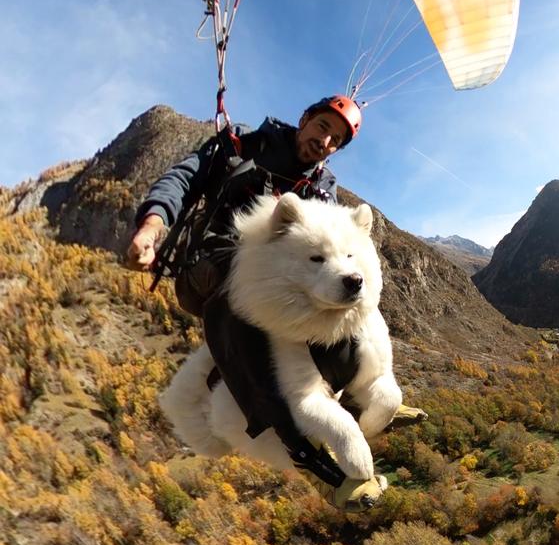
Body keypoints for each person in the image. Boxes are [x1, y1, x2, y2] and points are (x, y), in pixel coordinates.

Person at [125, 95, 387, 510]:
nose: (325, 142)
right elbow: (182, 180)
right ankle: (301, 450)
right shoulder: (242, 144)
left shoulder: (323, 192)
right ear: (304, 119)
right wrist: (152, 227)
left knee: (343, 317)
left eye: (336, 140)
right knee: (244, 322)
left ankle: (361, 397)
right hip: (216, 277)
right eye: (322, 127)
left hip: (284, 295)